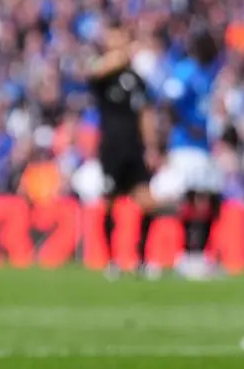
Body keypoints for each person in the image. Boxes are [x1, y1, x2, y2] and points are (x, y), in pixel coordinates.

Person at [85, 31, 164, 278]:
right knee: (109, 203)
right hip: (112, 149)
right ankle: (111, 261)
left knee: (147, 203)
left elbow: (146, 114)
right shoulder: (104, 77)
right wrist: (117, 56)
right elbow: (92, 72)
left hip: (134, 148)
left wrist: (151, 147)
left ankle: (141, 259)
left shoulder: (137, 80)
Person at [151, 28, 224, 279]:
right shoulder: (186, 70)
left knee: (211, 199)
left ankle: (198, 254)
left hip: (202, 146)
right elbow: (169, 104)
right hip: (185, 146)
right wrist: (187, 128)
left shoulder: (207, 72)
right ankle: (186, 254)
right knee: (191, 198)